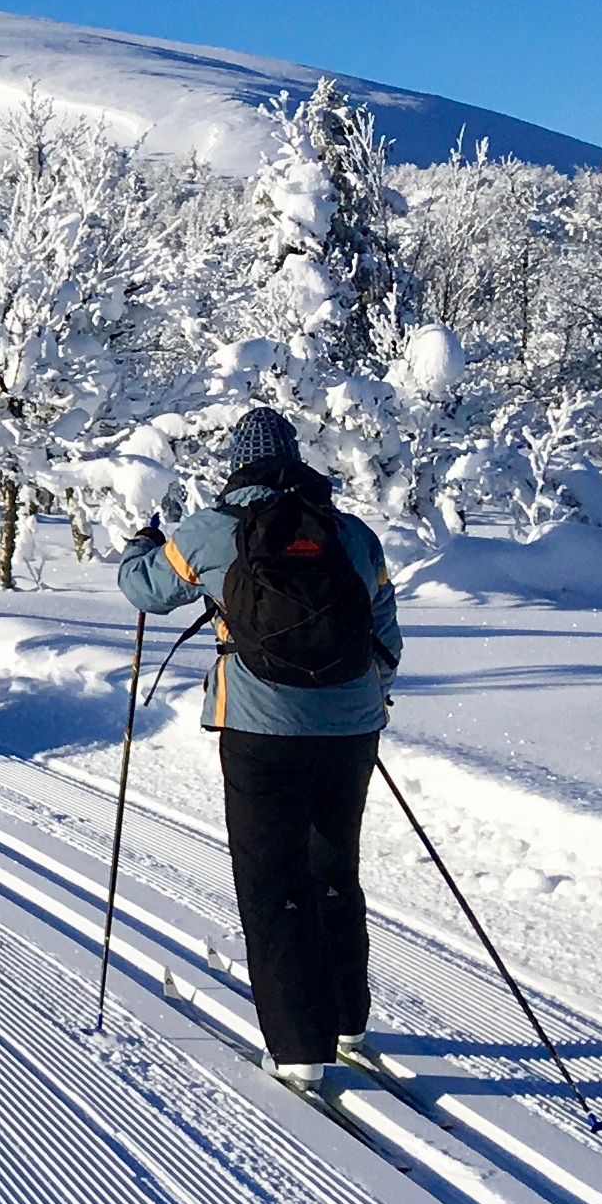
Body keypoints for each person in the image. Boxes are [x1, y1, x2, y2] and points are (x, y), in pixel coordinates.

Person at [118, 407, 402, 1087]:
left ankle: (300, 1048)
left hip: (258, 728)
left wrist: (138, 545)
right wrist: (366, 695)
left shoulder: (214, 531)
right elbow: (384, 633)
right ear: (297, 461)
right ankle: (346, 1019)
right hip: (351, 729)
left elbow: (146, 589)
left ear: (238, 464)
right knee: (335, 865)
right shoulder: (352, 534)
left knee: (273, 881)